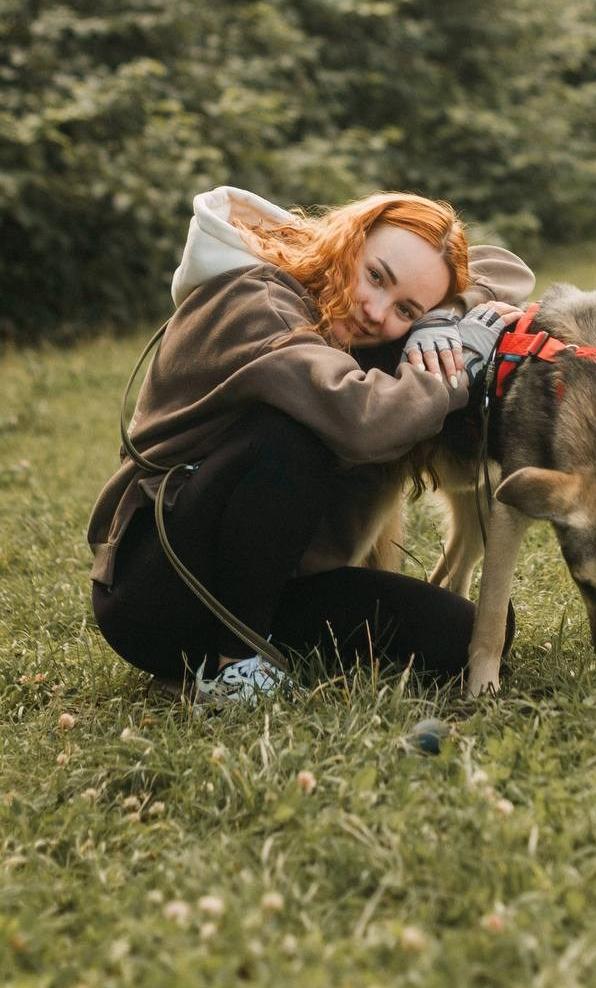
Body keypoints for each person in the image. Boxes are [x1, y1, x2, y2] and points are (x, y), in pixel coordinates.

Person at [88, 186, 535, 706]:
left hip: (276, 588)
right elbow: (360, 421)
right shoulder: (256, 301)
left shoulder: (357, 314)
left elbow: (506, 270)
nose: (375, 310)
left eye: (405, 308)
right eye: (375, 276)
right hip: (160, 590)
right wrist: (449, 376)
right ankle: (235, 671)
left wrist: (441, 319)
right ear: (348, 240)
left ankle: (259, 649)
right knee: (290, 437)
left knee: (474, 633)